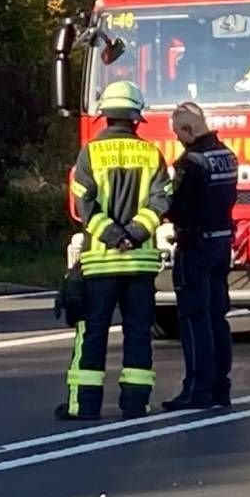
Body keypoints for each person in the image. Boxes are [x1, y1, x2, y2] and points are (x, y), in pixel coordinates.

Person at [60, 81, 172, 421]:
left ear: (105, 115)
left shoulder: (90, 153)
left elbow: (84, 206)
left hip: (100, 264)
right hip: (140, 264)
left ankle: (85, 406)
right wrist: (134, 235)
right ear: (137, 118)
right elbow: (161, 201)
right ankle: (136, 405)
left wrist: (112, 236)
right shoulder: (152, 154)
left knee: (91, 332)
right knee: (138, 333)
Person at [163, 102, 238, 411]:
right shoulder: (227, 156)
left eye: (178, 133)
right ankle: (222, 387)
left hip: (195, 245)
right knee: (218, 317)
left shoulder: (191, 162)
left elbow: (177, 207)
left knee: (195, 320)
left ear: (188, 130)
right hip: (222, 242)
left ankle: (197, 390)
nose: (178, 140)